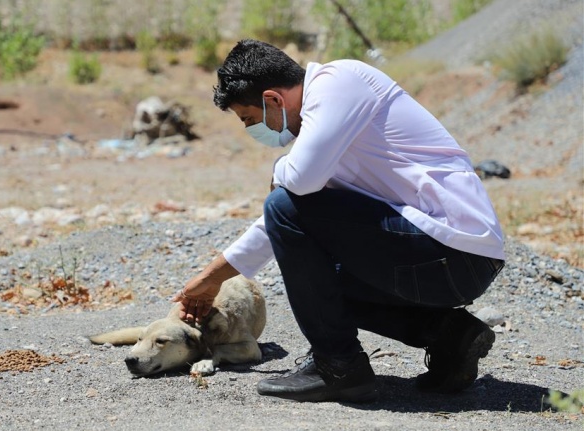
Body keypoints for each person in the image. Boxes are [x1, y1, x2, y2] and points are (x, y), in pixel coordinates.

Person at [171, 39, 505, 403]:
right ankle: (449, 335)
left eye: (250, 119)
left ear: (273, 100)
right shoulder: (326, 131)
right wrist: (207, 281)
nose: (255, 131)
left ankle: (339, 367)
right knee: (316, 280)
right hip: (447, 259)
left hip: (453, 250)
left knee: (287, 208)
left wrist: (280, 169)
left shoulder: (340, 82)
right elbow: (281, 222)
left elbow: (291, 193)